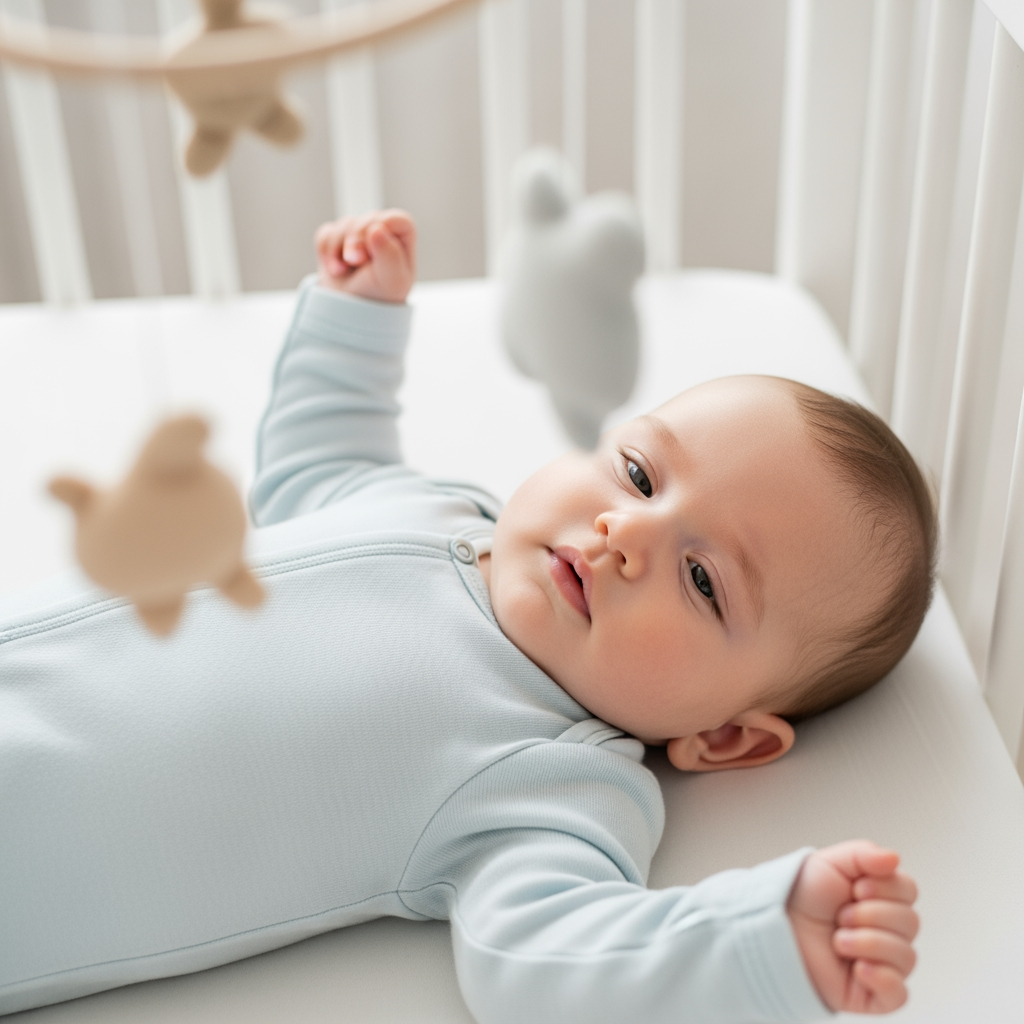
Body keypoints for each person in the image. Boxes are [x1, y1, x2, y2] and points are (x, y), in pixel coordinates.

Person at [0, 210, 931, 1022]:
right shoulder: (442, 506)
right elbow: (313, 468)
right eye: (641, 473)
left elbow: (546, 961)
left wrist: (760, 936)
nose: (623, 533)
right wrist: (354, 323)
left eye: (701, 581)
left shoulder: (550, 779)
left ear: (724, 737)